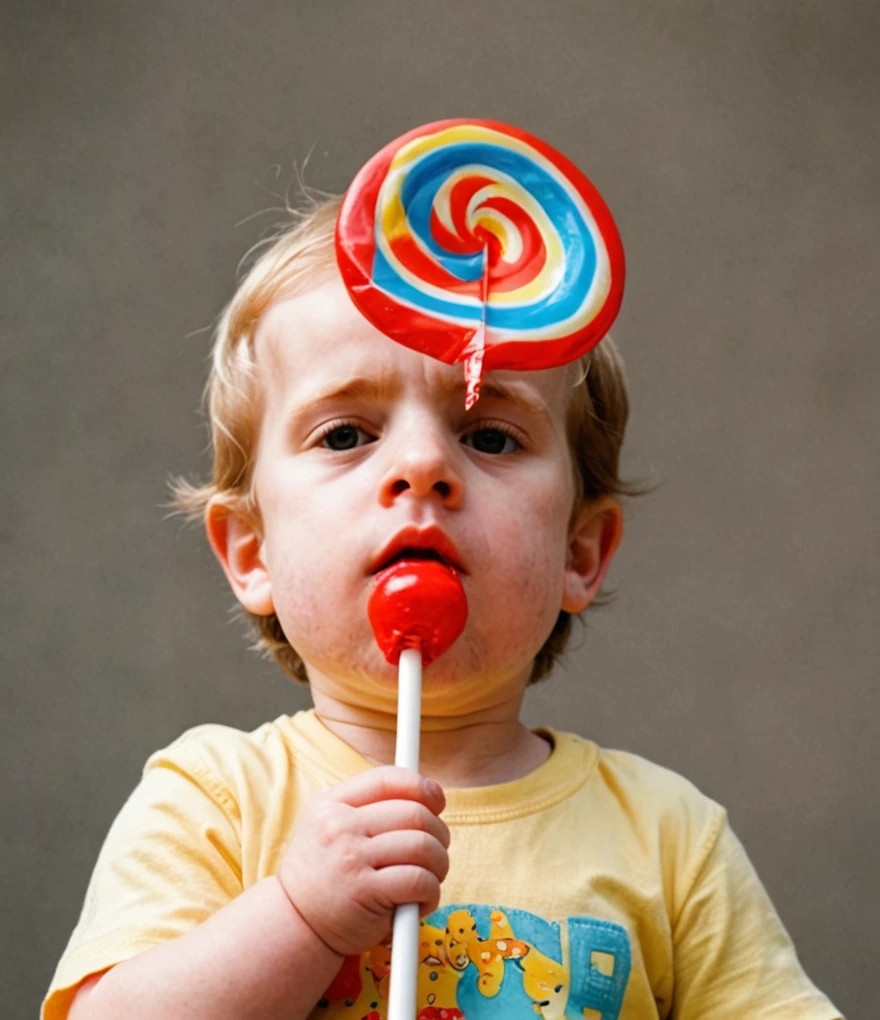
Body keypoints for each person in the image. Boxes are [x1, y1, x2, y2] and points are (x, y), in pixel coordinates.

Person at [44, 193, 842, 1020]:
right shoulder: (216, 799)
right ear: (254, 554)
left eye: (491, 436)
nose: (423, 463)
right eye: (348, 434)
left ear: (579, 554)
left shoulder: (669, 839)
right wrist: (299, 916)